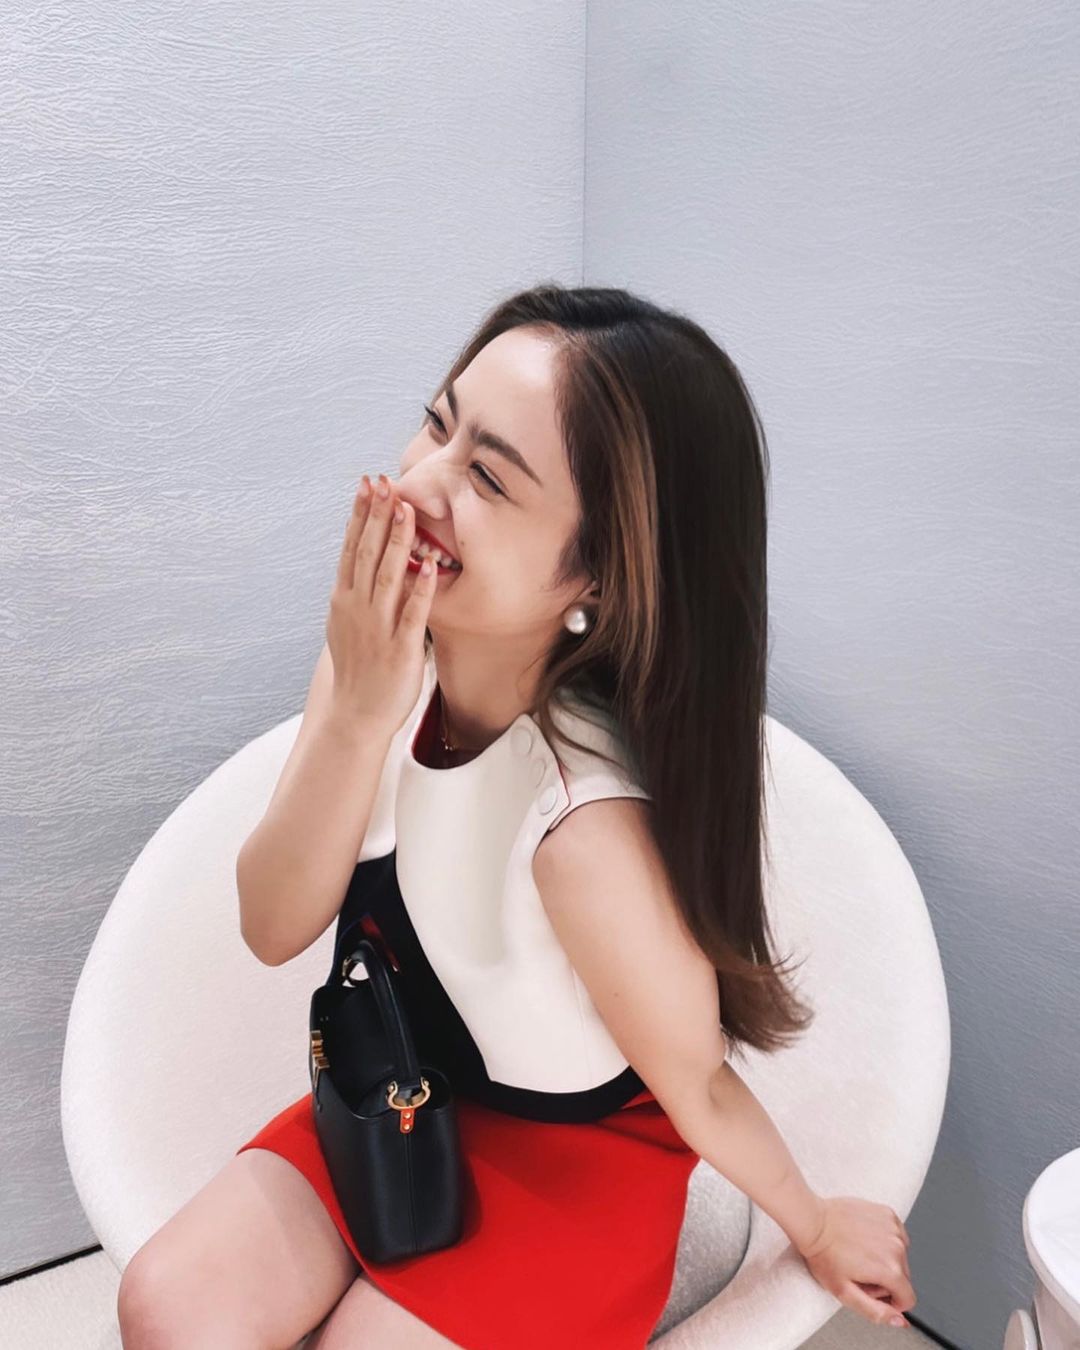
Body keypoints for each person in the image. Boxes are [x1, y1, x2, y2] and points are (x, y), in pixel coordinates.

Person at [116, 284, 916, 1349]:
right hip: (404, 1090)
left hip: (576, 1172)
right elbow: (272, 925)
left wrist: (814, 1224)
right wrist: (356, 718)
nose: (420, 483)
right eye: (437, 424)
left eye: (488, 477)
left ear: (601, 577)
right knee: (168, 1305)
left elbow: (695, 1083)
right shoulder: (373, 663)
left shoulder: (583, 831)